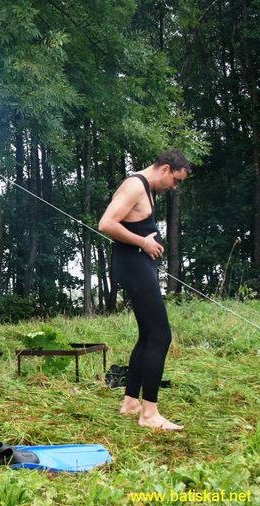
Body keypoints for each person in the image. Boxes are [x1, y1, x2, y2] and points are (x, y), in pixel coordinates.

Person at [98, 149, 190, 430]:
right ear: (165, 169)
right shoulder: (135, 185)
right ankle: (149, 414)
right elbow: (106, 223)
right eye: (176, 180)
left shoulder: (147, 189)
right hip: (133, 268)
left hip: (139, 268)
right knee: (161, 336)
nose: (174, 186)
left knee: (148, 335)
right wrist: (143, 242)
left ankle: (130, 402)